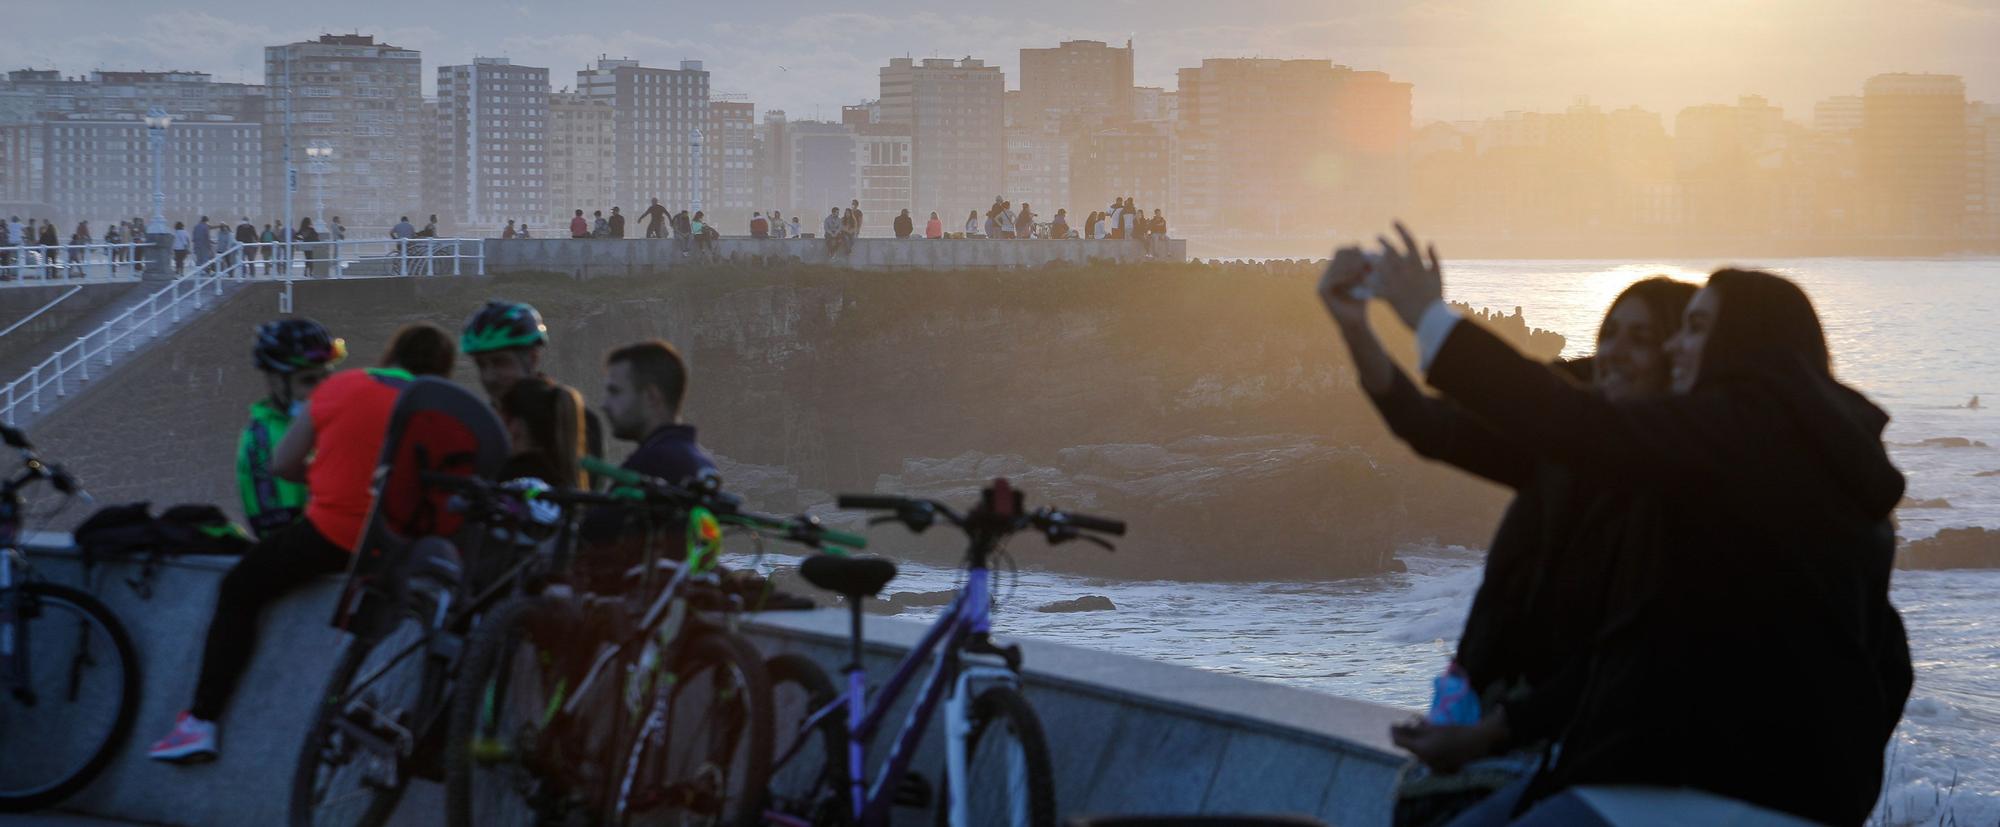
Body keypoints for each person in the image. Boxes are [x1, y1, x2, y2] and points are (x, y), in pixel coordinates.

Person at [1361, 223, 1910, 827]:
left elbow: (1565, 416)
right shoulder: (1833, 471)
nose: (1677, 348)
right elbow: (1889, 662)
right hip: (1784, 795)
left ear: (1748, 345)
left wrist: (1428, 318)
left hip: (1682, 790)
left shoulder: (1735, 436)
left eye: (1697, 329)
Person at [1323, 257, 1698, 823]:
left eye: (1641, 338)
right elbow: (1427, 425)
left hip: (1578, 750)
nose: (1615, 353)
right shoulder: (1563, 446)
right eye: (1609, 333)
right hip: (1505, 722)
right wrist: (1355, 326)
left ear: (1678, 359)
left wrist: (1488, 738)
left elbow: (1620, 659)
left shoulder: (1683, 485)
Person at [148, 323, 458, 763]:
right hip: (402, 543)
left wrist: (329, 476)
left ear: (390, 355)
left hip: (333, 535)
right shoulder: (443, 407)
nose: (319, 385)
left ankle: (200, 722)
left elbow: (283, 464)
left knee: (239, 588)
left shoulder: (348, 387)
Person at [578, 340, 716, 585]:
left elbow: (593, 535)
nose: (604, 405)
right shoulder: (699, 460)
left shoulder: (657, 461)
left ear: (652, 397)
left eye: (615, 392)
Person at [459, 300, 605, 468]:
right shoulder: (480, 422)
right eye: (481, 365)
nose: (489, 376)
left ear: (533, 358)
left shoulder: (572, 418)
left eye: (500, 362)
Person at [238, 318, 345, 540]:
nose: (323, 389)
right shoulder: (264, 439)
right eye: (308, 381)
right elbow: (278, 531)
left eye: (326, 376)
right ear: (276, 381)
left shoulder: (326, 423)